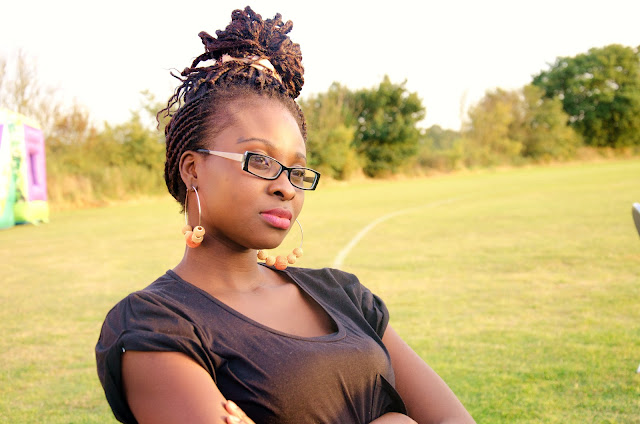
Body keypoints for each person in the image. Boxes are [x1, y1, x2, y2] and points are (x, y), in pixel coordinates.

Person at [95, 6, 476, 424]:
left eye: (296, 170)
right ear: (193, 169)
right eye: (259, 160)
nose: (286, 187)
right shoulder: (156, 324)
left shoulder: (342, 294)